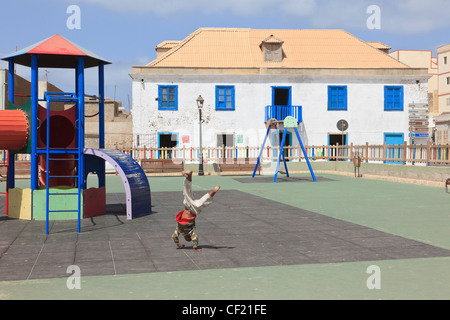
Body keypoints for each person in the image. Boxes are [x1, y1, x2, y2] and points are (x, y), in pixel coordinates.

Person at [171, 170, 220, 251]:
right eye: (188, 238)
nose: (187, 237)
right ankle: (212, 192)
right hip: (193, 210)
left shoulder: (179, 230)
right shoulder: (191, 231)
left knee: (187, 192)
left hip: (188, 206)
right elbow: (195, 238)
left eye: (187, 238)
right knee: (201, 202)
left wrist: (178, 244)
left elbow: (174, 236)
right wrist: (195, 248)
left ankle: (189, 175)